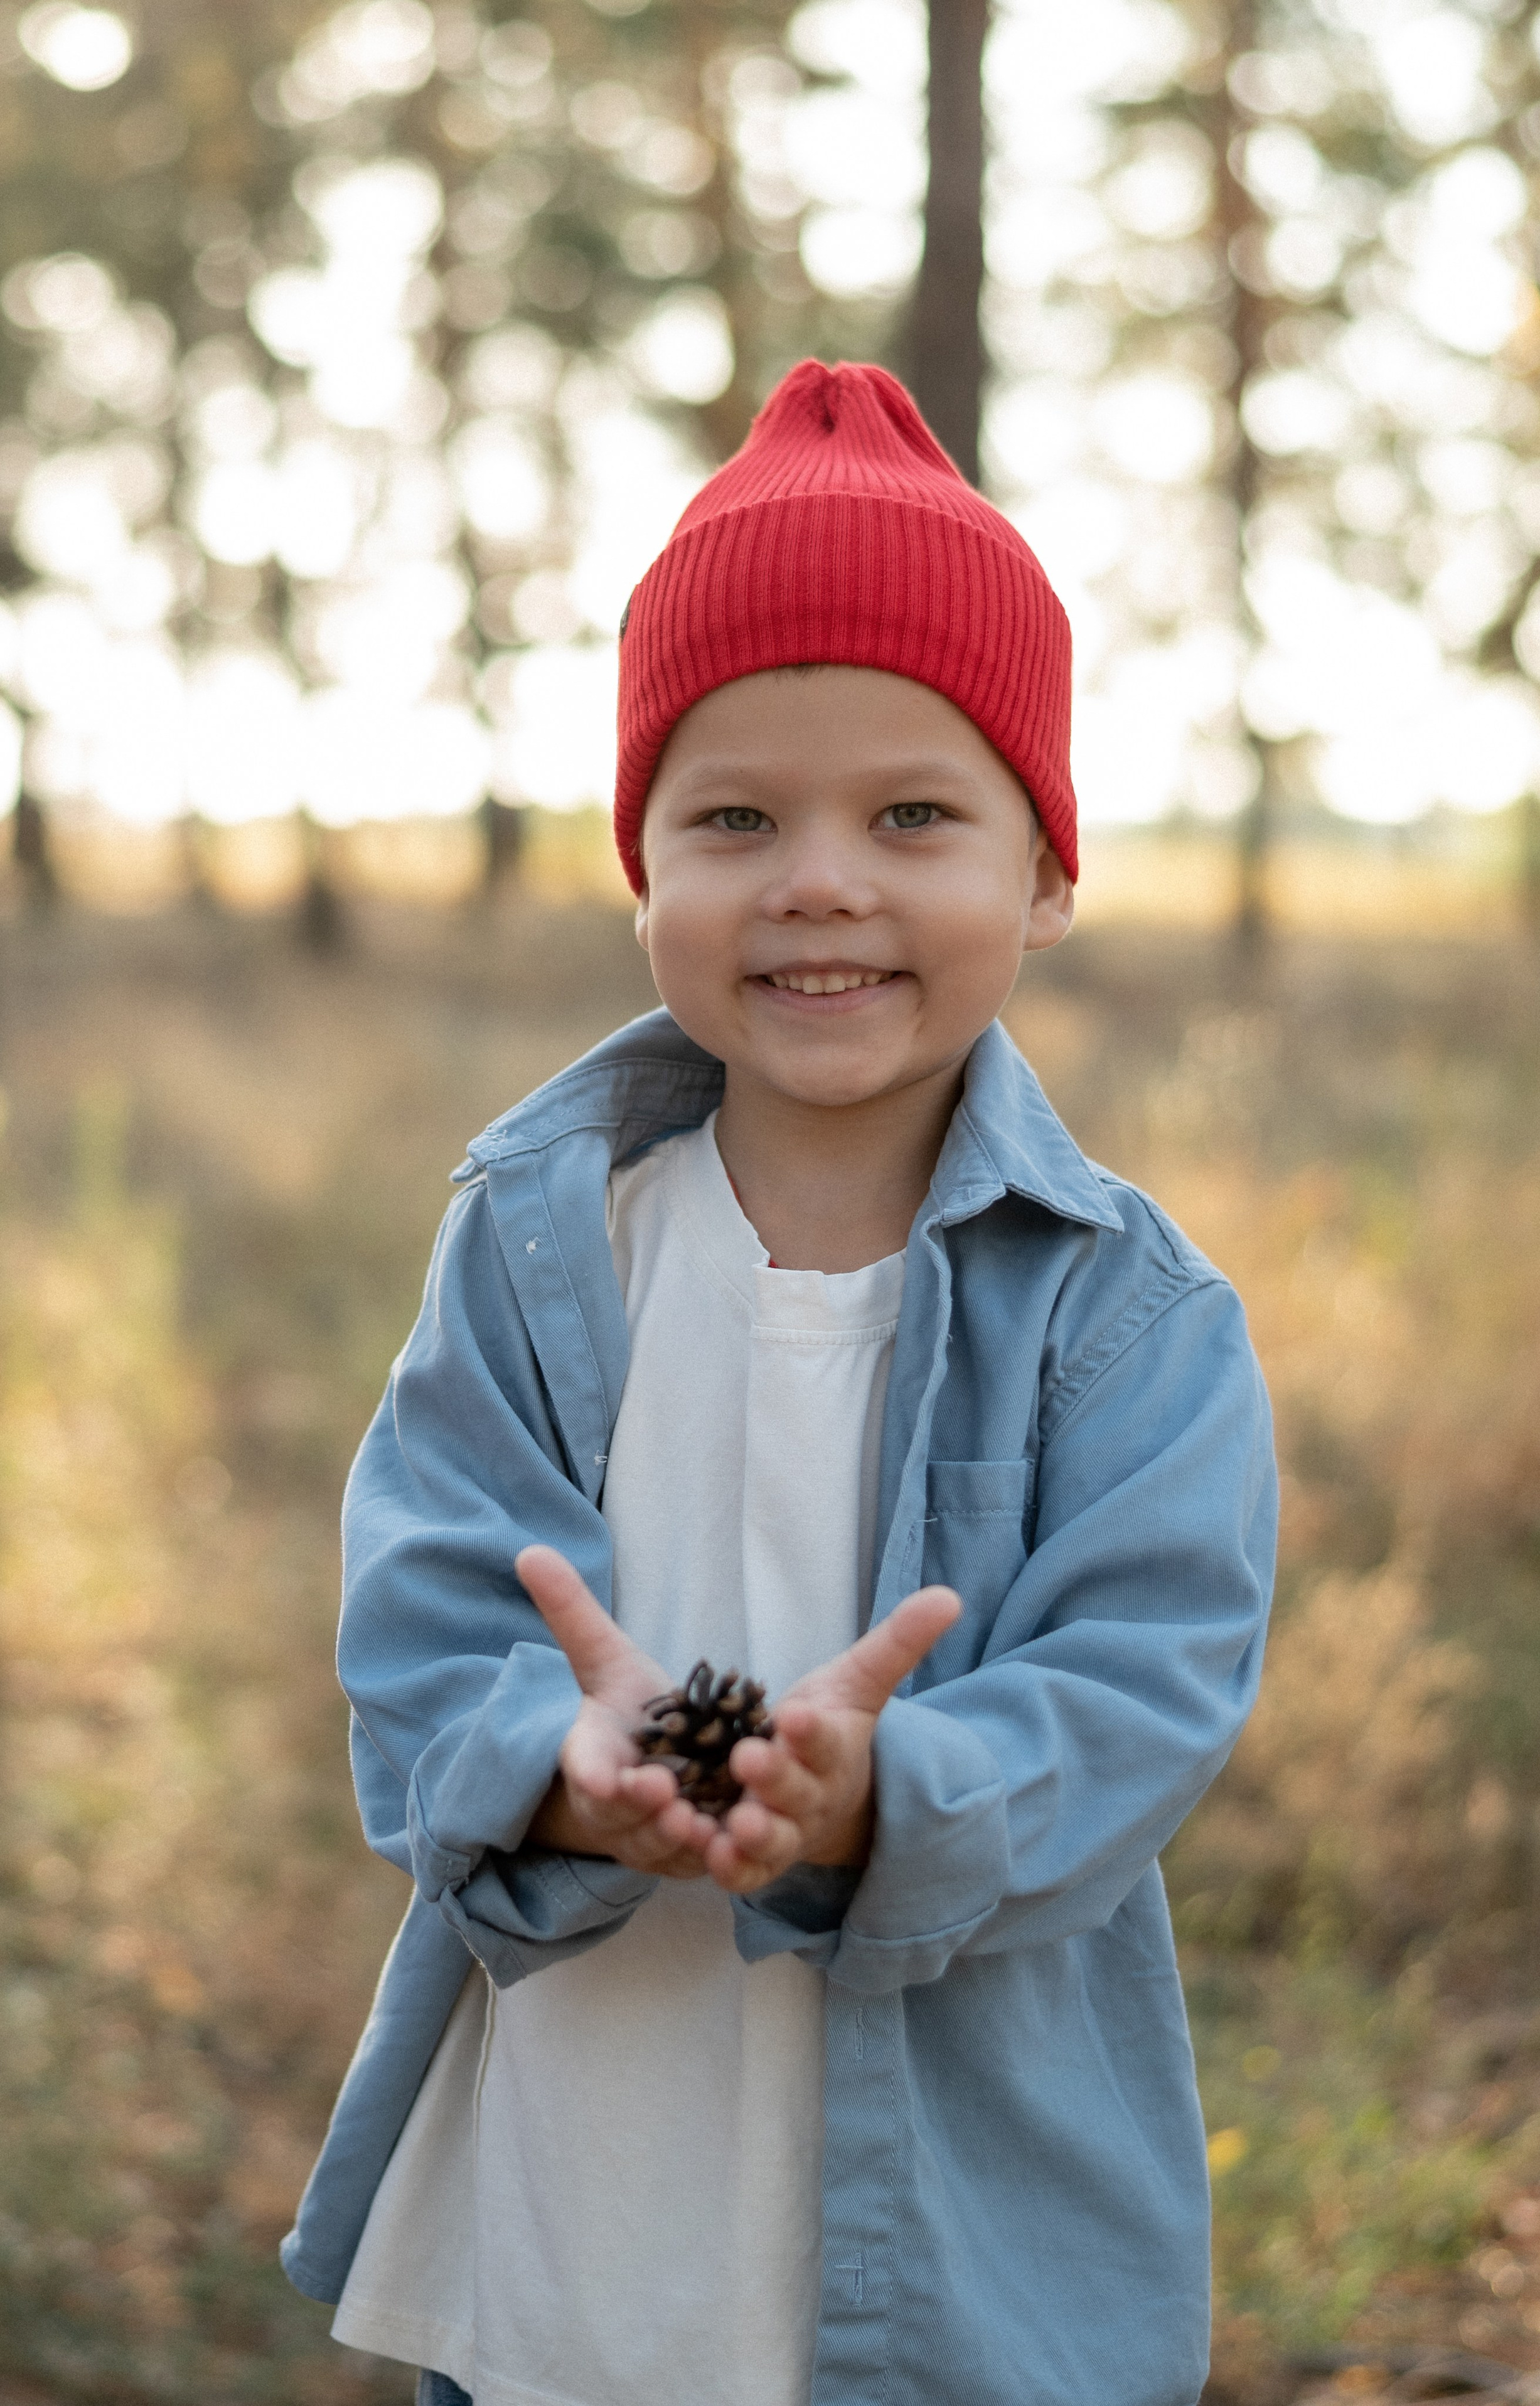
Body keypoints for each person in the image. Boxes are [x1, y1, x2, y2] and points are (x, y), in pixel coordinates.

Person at [281, 360, 1278, 2406]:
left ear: (1048, 876)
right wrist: (571, 1767)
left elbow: (1151, 1682)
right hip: (586, 2172)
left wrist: (887, 1793)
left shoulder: (1132, 1312)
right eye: (734, 817)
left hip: (961, 2217)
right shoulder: (547, 1238)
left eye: (916, 812)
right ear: (641, 868)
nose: (820, 877)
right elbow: (423, 1606)